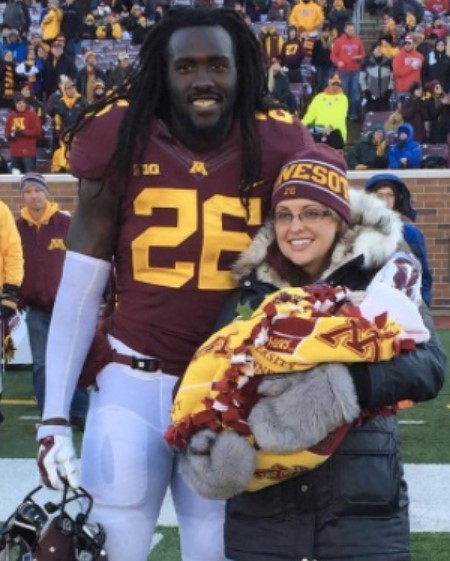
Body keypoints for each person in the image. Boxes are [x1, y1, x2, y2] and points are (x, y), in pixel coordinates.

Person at [36, 7, 314, 561]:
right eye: (185, 67)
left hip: (227, 394)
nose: (202, 80)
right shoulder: (122, 134)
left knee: (219, 548)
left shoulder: (278, 143)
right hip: (131, 384)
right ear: (161, 73)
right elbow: (81, 285)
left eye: (218, 65)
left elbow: (314, 268)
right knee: (114, 542)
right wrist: (52, 418)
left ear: (244, 71)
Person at [171, 143, 446, 561]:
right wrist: (212, 440)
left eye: (312, 212)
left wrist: (338, 389)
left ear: (338, 217)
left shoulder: (383, 275)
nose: (295, 226)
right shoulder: (250, 293)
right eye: (284, 214)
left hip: (362, 509)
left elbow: (428, 368)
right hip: (266, 519)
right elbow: (210, 383)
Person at [15, 173, 89, 428]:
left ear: (47, 193)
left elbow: (84, 259)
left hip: (66, 305)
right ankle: (49, 416)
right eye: (28, 192)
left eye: (37, 190)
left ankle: (79, 412)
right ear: (22, 197)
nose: (33, 195)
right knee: (42, 364)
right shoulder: (16, 228)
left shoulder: (65, 224)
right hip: (35, 309)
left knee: (72, 359)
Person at [365, 172, 433, 307]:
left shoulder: (410, 233)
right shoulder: (360, 232)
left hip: (404, 302)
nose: (384, 200)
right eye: (380, 196)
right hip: (368, 301)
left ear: (397, 198)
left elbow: (423, 272)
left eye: (389, 195)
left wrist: (423, 302)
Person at [302, 72, 348, 148]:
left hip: (335, 130)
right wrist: (301, 125)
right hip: (318, 129)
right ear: (329, 83)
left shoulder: (343, 99)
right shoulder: (319, 97)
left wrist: (330, 127)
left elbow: (340, 116)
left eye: (337, 85)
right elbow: (310, 114)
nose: (335, 86)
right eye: (333, 84)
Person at [330, 21, 365, 120]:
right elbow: (333, 55)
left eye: (353, 30)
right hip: (343, 71)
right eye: (349, 30)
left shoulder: (358, 40)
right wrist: (338, 62)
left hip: (355, 70)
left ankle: (354, 113)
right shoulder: (338, 41)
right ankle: (344, 113)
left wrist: (359, 57)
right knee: (344, 92)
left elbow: (363, 54)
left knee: (355, 92)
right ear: (345, 30)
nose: (352, 31)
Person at [5, 92, 43, 173]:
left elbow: (38, 131)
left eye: (22, 102)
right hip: (15, 153)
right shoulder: (10, 117)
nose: (21, 105)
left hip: (28, 153)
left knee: (30, 177)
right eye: (18, 103)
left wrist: (24, 132)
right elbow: (6, 133)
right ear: (15, 105)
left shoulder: (32, 115)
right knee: (15, 178)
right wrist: (11, 135)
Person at [360, 41, 394, 112]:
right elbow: (362, 78)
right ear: (373, 51)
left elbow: (392, 78)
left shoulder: (389, 62)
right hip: (371, 95)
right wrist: (366, 91)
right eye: (377, 49)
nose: (379, 50)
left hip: (385, 96)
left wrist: (390, 90)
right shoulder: (366, 62)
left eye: (381, 48)